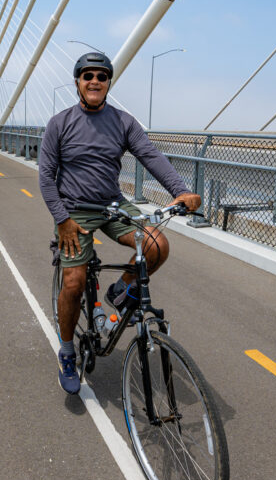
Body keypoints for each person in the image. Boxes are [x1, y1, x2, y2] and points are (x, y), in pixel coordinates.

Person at [38, 52, 202, 394]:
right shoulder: (59, 123)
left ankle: (120, 290)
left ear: (108, 82)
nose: (95, 81)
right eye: (88, 76)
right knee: (74, 280)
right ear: (78, 83)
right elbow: (46, 177)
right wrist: (62, 220)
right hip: (74, 210)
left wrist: (180, 190)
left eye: (101, 75)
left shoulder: (124, 122)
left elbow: (150, 155)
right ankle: (67, 352)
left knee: (157, 245)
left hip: (112, 205)